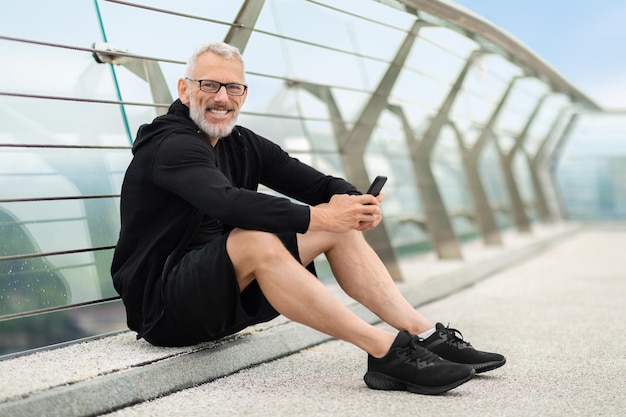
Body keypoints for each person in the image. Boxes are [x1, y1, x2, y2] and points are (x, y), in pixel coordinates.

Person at [111, 41, 505, 395]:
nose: (222, 98)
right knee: (260, 237)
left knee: (338, 226)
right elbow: (227, 203)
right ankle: (386, 352)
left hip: (221, 298)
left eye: (233, 88)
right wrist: (322, 217)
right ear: (184, 89)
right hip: (163, 309)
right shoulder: (171, 144)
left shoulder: (240, 142)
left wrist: (353, 202)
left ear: (244, 95)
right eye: (209, 85)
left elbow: (316, 184)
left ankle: (424, 335)